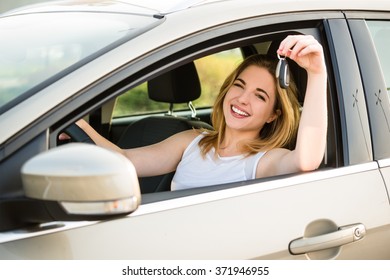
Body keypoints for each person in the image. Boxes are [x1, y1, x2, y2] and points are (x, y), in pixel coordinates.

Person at [66, 35, 327, 191]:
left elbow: (305, 161)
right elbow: (123, 160)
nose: (242, 99)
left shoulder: (265, 161)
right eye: (239, 85)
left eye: (260, 96)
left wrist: (316, 73)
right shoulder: (192, 141)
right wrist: (71, 123)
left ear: (273, 114)